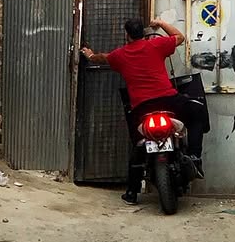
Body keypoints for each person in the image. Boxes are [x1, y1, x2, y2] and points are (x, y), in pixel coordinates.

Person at [81, 16, 205, 204]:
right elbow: (179, 37)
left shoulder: (120, 55)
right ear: (143, 33)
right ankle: (195, 157)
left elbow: (103, 58)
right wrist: (161, 23)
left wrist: (90, 56)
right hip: (169, 101)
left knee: (139, 144)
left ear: (127, 35)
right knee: (197, 112)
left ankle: (132, 192)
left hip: (142, 108)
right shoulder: (156, 45)